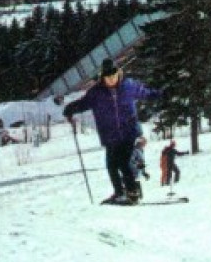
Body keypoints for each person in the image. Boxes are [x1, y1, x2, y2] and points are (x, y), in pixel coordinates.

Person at [62, 59, 157, 205]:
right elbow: (82, 103)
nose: (112, 79)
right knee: (111, 165)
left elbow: (145, 93)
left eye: (114, 76)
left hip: (129, 133)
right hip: (110, 135)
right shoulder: (96, 93)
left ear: (118, 73)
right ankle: (119, 193)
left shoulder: (128, 86)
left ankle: (133, 193)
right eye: (108, 77)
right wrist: (70, 109)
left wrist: (159, 94)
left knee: (124, 163)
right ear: (103, 77)